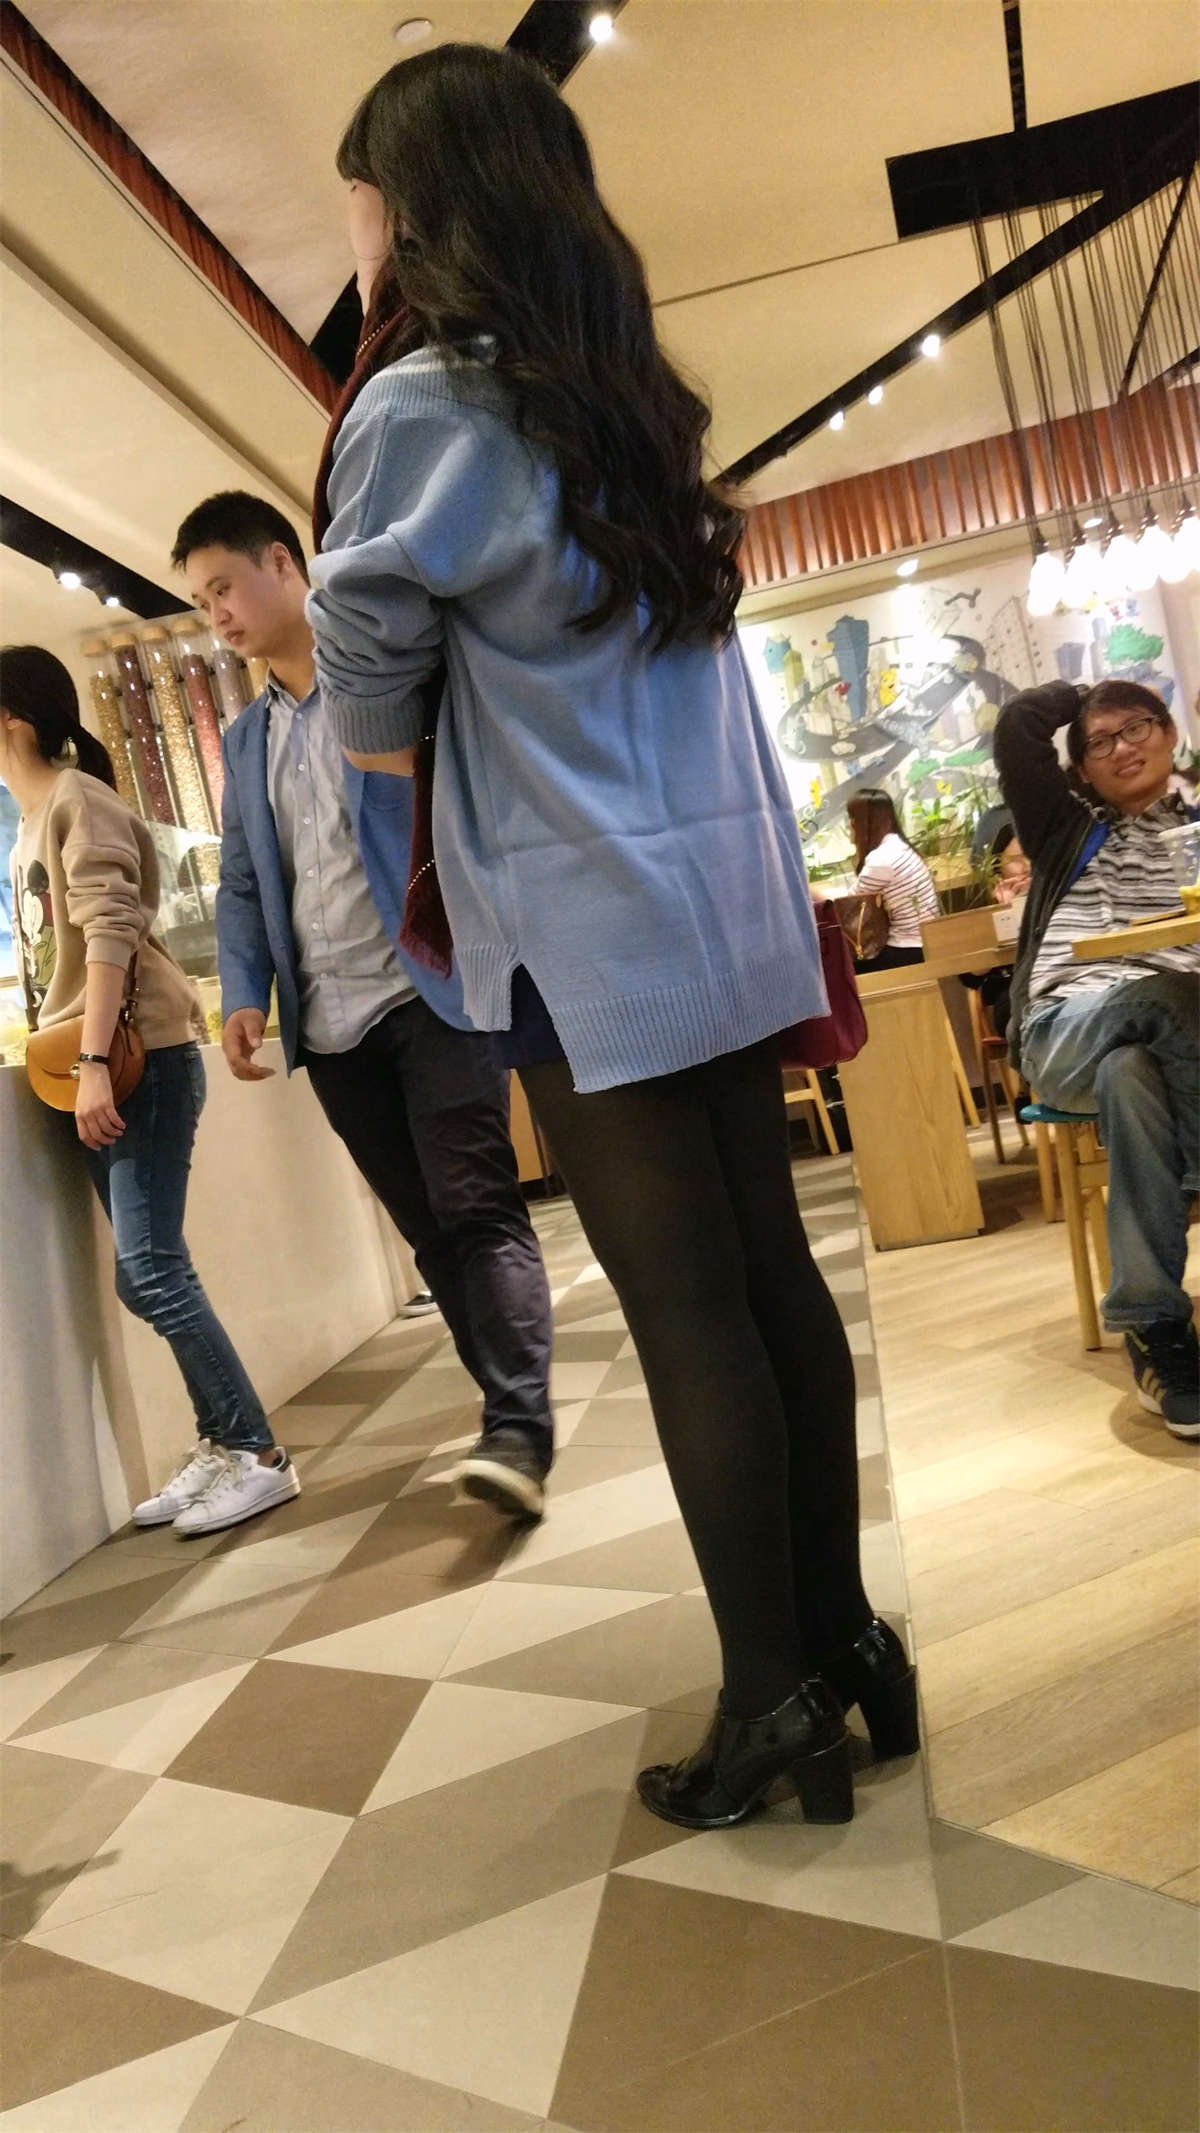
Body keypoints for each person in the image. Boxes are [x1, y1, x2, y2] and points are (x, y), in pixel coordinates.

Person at [305, 42, 917, 1832]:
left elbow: (364, 647)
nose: (352, 230)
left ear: (413, 205)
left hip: (589, 922)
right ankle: (844, 1639)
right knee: (771, 1278)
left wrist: (388, 747)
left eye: (361, 197)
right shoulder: (625, 396)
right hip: (721, 894)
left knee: (687, 1311)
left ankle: (772, 1696)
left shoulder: (419, 405)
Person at [171, 492, 555, 1520]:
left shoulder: (387, 683)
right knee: (428, 1230)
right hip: (332, 1025)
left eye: (222, 587)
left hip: (432, 990)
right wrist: (244, 992)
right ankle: (507, 1416)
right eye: (201, 601)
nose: (216, 614)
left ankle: (519, 1427)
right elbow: (243, 882)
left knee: (477, 1207)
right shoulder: (245, 741)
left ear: (281, 564)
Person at [0, 645, 299, 1534]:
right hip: (94, 1064)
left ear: (10, 722)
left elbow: (112, 931)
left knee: (154, 1271)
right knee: (146, 1274)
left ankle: (258, 1453)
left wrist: (94, 1061)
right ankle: (223, 1440)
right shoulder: (32, 821)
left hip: (139, 1060)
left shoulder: (78, 800)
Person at [995, 677, 1199, 1437]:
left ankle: (1154, 1328)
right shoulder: (1067, 830)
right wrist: (1085, 695)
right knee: (1166, 999)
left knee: (1131, 1071)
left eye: (1137, 726)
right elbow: (1017, 728)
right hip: (1066, 1027)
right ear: (1080, 766)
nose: (1123, 747)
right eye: (1100, 741)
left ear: (1169, 733)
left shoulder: (1198, 832)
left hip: (1165, 1048)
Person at [846, 787, 940, 971]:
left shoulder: (881, 859)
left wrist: (808, 889)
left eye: (852, 817)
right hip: (926, 942)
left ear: (861, 822)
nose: (849, 824)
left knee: (846, 969)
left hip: (911, 949)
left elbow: (847, 906)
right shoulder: (898, 845)